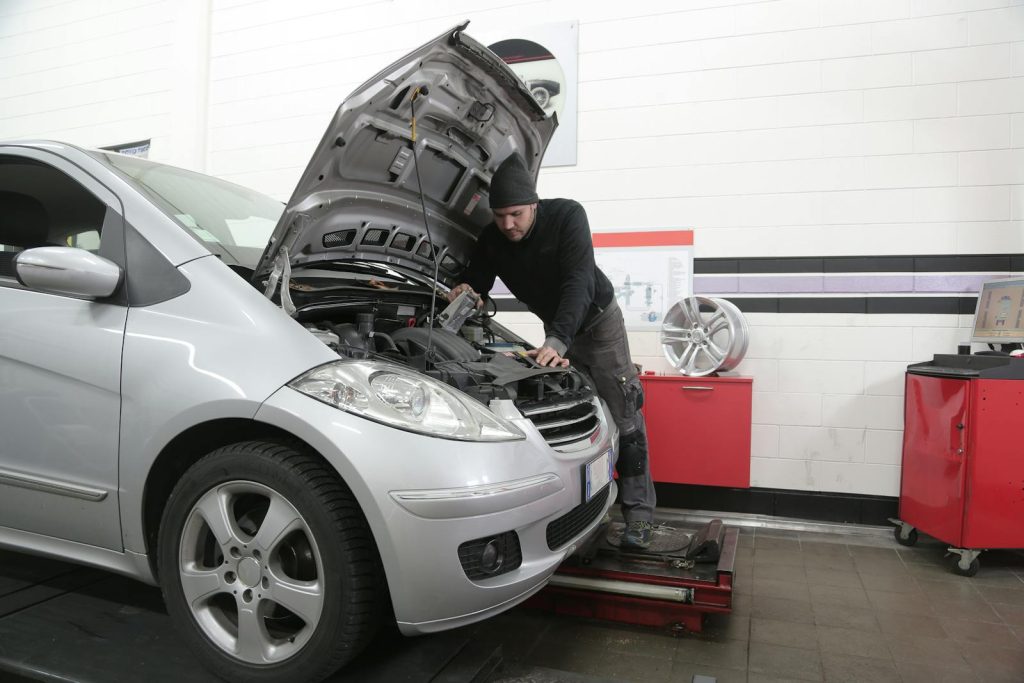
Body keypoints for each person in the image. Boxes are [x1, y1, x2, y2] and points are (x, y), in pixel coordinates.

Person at [447, 154, 657, 549]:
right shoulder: (493, 239)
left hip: (597, 323)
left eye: (516, 214)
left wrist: (558, 340)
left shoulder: (567, 217)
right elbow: (478, 280)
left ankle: (640, 517)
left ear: (535, 205)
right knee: (576, 415)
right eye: (500, 216)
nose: (508, 225)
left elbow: (579, 283)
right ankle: (586, 511)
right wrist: (467, 290)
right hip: (556, 330)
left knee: (625, 414)